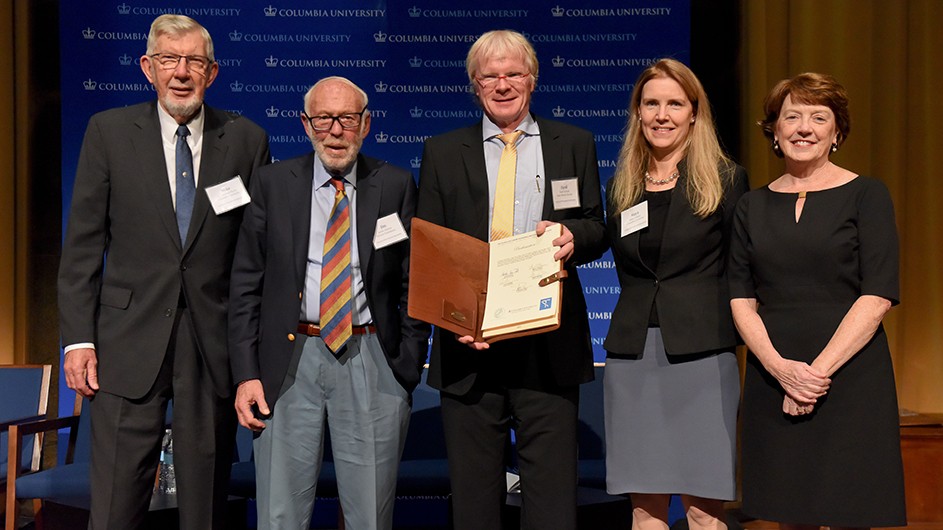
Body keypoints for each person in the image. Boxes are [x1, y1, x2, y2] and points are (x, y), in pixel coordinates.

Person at [57, 14, 270, 529]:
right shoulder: (108, 132)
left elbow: (254, 257)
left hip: (210, 344)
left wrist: (251, 359)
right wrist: (78, 340)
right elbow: (83, 246)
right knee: (113, 505)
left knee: (206, 506)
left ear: (212, 73)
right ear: (147, 68)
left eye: (193, 61)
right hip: (125, 344)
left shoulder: (246, 139)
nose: (181, 72)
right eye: (169, 60)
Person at [416, 30, 607, 530]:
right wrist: (455, 318)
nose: (503, 85)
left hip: (549, 341)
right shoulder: (441, 150)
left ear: (533, 79)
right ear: (474, 85)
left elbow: (595, 225)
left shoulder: (576, 144)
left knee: (552, 499)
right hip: (469, 345)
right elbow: (431, 248)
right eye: (490, 76)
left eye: (513, 73)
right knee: (475, 500)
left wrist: (572, 237)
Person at [228, 76, 430, 530]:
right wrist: (246, 374)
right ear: (306, 124)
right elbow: (245, 285)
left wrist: (407, 365)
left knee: (370, 517)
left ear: (366, 124)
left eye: (347, 119)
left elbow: (411, 282)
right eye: (323, 119)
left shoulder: (395, 184)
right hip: (288, 359)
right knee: (280, 514)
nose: (335, 130)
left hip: (372, 357)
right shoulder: (272, 183)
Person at [729, 73, 906, 529]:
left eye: (818, 117)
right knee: (789, 512)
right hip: (774, 373)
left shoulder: (868, 194)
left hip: (849, 374)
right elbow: (740, 299)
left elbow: (878, 295)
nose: (804, 127)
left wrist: (814, 375)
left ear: (836, 132)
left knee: (851, 513)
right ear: (774, 129)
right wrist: (781, 369)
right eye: (792, 116)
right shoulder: (750, 206)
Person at [604, 58, 748, 530]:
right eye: (651, 104)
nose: (661, 114)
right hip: (632, 356)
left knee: (704, 515)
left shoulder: (726, 181)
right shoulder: (621, 188)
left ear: (693, 113)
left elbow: (741, 271)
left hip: (702, 354)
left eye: (674, 103)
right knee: (645, 514)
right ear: (637, 113)